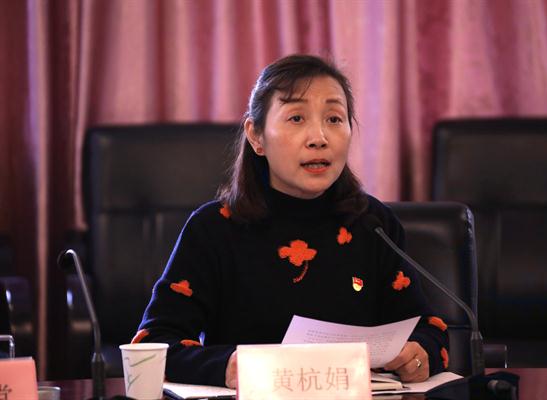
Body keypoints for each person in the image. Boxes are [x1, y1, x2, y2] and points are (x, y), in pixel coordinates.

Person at [133, 54, 450, 388]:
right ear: (256, 136)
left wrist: (419, 354)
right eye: (296, 118)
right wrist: (226, 366)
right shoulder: (214, 229)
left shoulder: (373, 224)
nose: (319, 137)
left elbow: (429, 330)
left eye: (334, 118)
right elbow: (153, 344)